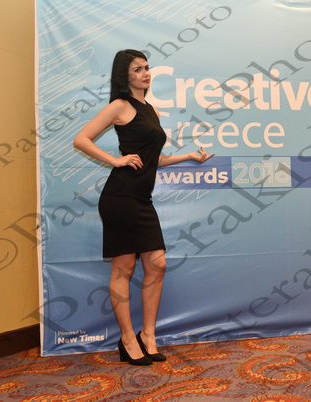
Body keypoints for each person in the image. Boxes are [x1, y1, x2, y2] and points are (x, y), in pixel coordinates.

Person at [73, 49, 213, 365]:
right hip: (120, 197)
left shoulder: (151, 110)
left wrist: (189, 157)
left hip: (142, 199)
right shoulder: (119, 106)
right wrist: (115, 160)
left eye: (147, 67)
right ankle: (127, 339)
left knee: (157, 264)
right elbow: (81, 139)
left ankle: (148, 335)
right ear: (125, 75)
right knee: (123, 268)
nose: (145, 73)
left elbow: (153, 160)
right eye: (137, 69)